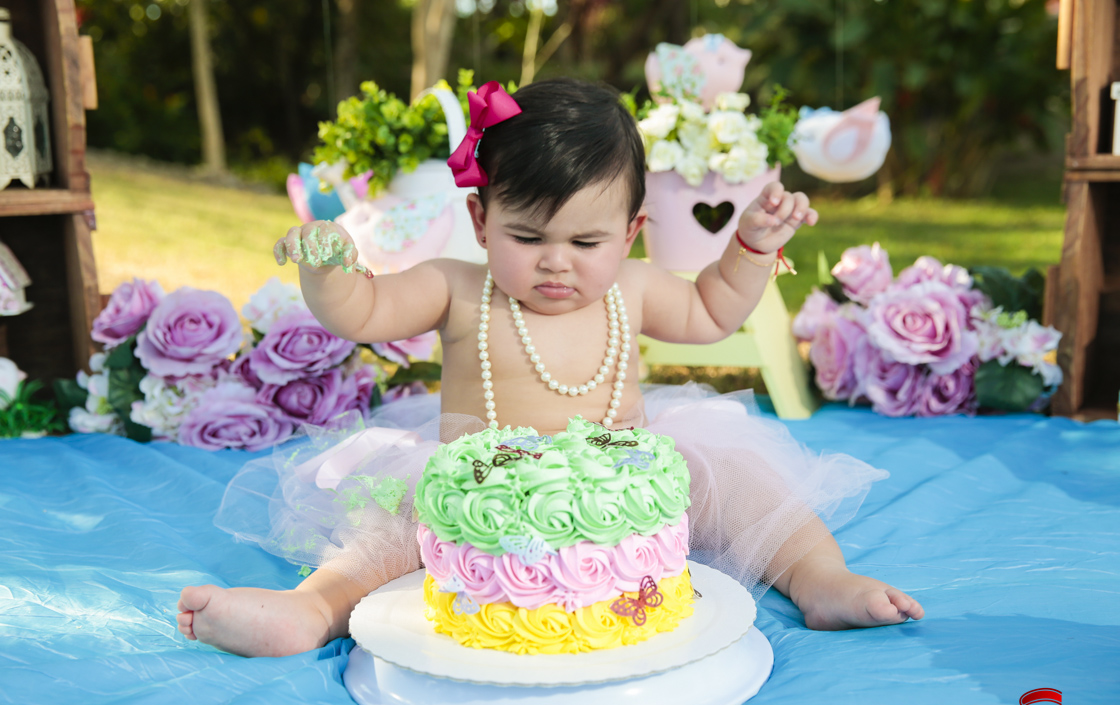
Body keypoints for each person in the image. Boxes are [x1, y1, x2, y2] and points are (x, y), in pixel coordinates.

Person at [177, 78, 924, 658]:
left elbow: (713, 311)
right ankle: (311, 609)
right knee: (391, 532)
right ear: (481, 221)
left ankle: (821, 579)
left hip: (617, 481)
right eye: (527, 236)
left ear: (631, 233)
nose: (556, 262)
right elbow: (364, 314)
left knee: (746, 482)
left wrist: (751, 249)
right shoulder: (458, 286)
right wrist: (330, 268)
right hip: (476, 485)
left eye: (587, 241)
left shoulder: (633, 288)